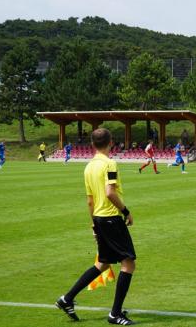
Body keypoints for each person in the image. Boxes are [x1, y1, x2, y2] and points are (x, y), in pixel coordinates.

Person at [55, 128, 136, 325]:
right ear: (111, 142)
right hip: (110, 218)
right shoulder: (109, 163)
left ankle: (66, 299)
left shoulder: (88, 167)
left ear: (92, 144)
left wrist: (94, 224)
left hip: (99, 219)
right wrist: (126, 211)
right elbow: (110, 192)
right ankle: (115, 314)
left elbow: (90, 201)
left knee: (103, 262)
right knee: (128, 263)